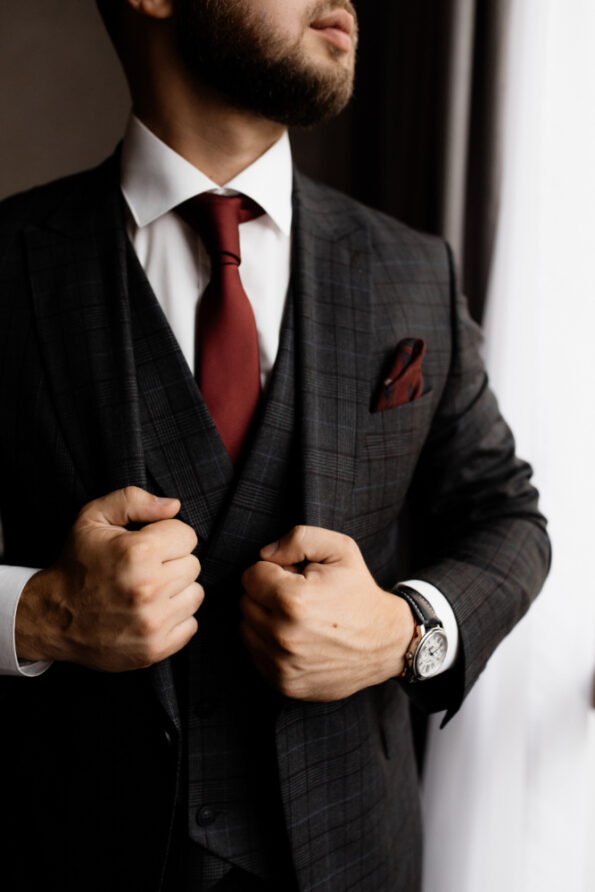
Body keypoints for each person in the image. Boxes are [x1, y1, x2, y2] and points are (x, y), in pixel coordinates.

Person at [0, 1, 550, 890]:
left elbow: (506, 515)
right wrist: (39, 613)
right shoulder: (11, 263)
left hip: (354, 855)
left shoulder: (412, 271)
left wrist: (402, 629)